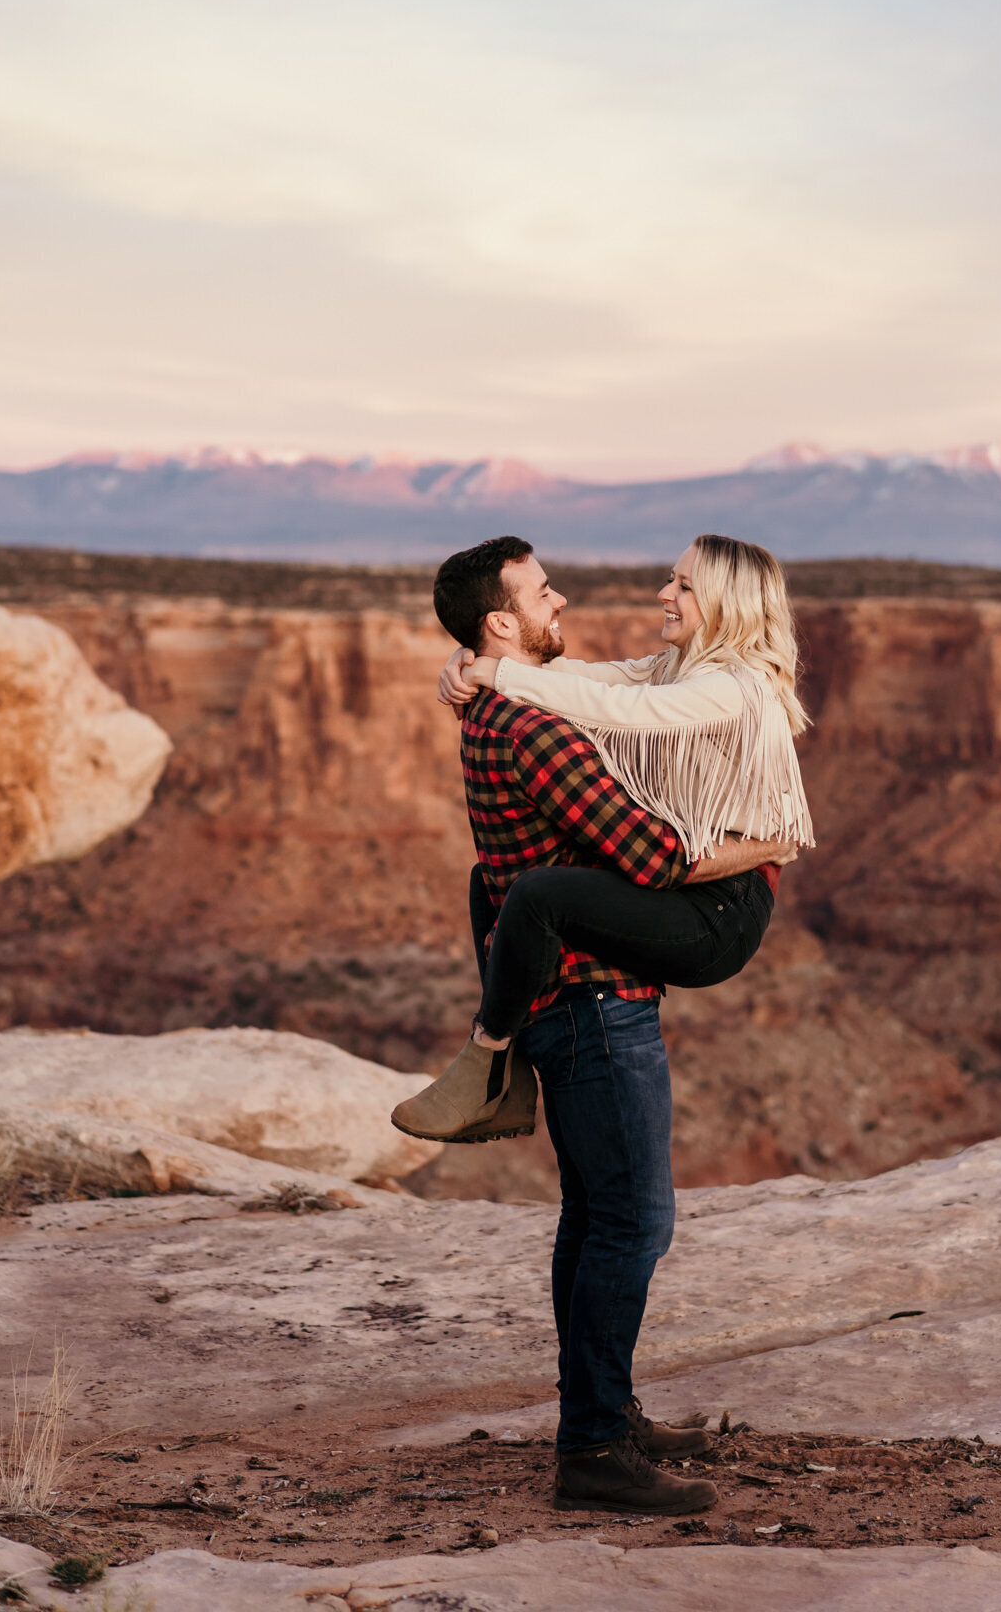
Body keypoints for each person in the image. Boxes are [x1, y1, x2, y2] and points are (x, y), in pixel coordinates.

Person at [391, 536, 797, 1517]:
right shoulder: (539, 730)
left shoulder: (511, 701)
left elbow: (609, 684)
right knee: (633, 1222)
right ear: (503, 621)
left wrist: (483, 673)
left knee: (594, 1218)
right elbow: (650, 850)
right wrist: (757, 848)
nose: (561, 598)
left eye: (682, 583)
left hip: (573, 999)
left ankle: (603, 1411)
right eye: (541, 593)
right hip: (594, 1006)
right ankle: (596, 1452)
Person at [394, 531, 813, 1143]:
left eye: (685, 586)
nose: (664, 592)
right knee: (492, 886)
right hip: (699, 882)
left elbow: (617, 710)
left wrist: (496, 670)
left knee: (537, 898)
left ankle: (486, 1056)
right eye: (673, 578)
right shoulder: (676, 667)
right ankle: (505, 1075)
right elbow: (586, 676)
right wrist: (471, 661)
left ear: (727, 603)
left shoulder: (732, 687)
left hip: (725, 904)